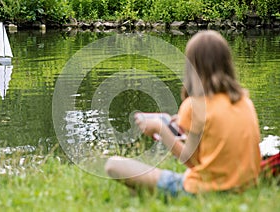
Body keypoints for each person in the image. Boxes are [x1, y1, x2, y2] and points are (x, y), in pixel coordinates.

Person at [104, 30, 262, 197]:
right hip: (245, 187)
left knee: (114, 165)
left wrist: (160, 129)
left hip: (206, 190)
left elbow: (191, 161)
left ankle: (147, 193)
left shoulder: (194, 106)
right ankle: (144, 194)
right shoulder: (245, 102)